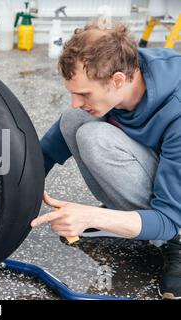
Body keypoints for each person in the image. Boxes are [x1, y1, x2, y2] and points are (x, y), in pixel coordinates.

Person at [31, 19, 181, 299]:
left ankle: (176, 244)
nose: (75, 101)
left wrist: (90, 215)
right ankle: (125, 219)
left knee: (95, 138)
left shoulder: (176, 107)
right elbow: (47, 151)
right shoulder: (124, 73)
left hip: (176, 213)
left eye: (83, 93)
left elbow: (171, 217)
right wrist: (21, 188)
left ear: (118, 80)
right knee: (75, 120)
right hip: (165, 175)